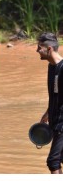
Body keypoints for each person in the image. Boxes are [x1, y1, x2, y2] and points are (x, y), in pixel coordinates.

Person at [37, 32, 63, 174]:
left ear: (49, 49)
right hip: (54, 120)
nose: (37, 51)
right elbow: (55, 94)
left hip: (62, 124)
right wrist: (47, 113)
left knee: (53, 160)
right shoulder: (51, 67)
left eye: (39, 48)